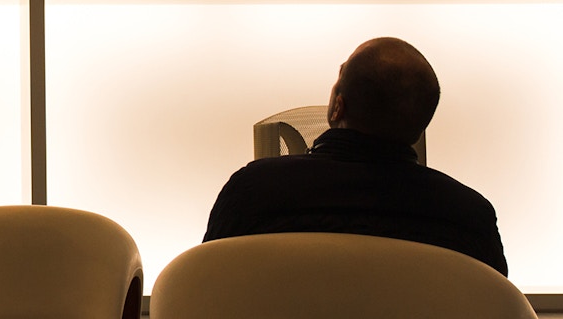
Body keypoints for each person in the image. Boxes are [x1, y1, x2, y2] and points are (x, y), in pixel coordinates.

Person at [202, 36, 508, 275]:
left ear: (338, 107)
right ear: (419, 129)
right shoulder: (469, 218)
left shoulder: (253, 192)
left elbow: (206, 289)